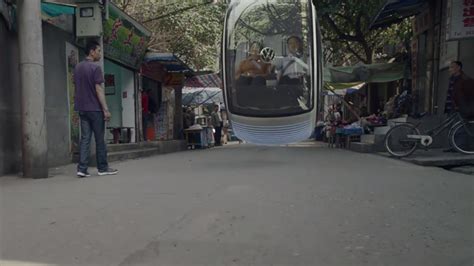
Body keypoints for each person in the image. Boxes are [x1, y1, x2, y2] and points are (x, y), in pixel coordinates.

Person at [74, 41, 118, 177]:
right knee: (100, 139)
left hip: (82, 108)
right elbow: (98, 89)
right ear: (92, 52)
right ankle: (103, 168)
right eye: (98, 51)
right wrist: (105, 109)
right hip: (95, 109)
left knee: (85, 138)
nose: (100, 53)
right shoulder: (95, 68)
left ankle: (82, 169)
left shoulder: (77, 67)